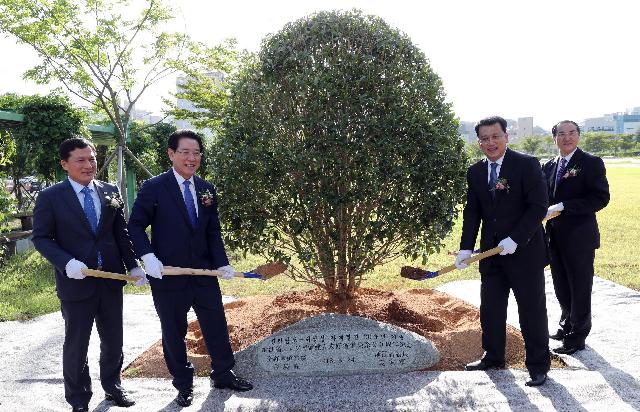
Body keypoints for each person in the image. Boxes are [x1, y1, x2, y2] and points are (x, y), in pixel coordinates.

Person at [128, 129, 253, 407]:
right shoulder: (154, 187)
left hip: (204, 273)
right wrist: (147, 256)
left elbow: (212, 232)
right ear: (171, 154)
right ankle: (183, 384)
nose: (191, 158)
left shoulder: (207, 189)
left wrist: (222, 263)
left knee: (216, 323)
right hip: (168, 274)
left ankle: (223, 373)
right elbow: (135, 225)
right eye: (185, 152)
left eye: (196, 153)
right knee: (173, 330)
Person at [32, 137, 145, 411]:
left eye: (92, 158)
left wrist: (133, 264)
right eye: (80, 160)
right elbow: (42, 238)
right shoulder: (51, 197)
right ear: (65, 164)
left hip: (110, 280)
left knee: (113, 340)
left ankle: (113, 386)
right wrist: (65, 262)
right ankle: (79, 399)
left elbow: (121, 232)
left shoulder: (109, 191)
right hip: (75, 282)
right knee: (77, 343)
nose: (88, 164)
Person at [455, 116, 551, 386]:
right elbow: (472, 213)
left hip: (525, 251)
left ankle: (538, 364)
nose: (490, 142)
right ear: (479, 143)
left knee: (531, 310)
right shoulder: (475, 172)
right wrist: (465, 249)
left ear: (506, 136)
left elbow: (538, 207)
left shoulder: (526, 164)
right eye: (484, 138)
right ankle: (493, 355)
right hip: (491, 253)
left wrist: (516, 239)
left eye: (495, 136)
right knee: (491, 308)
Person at [542, 120, 610, 355]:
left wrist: (564, 206)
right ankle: (566, 324)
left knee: (579, 285)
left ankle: (578, 335)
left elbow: (600, 198)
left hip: (579, 237)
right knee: (561, 283)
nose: (567, 137)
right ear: (555, 138)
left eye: (572, 133)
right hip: (553, 236)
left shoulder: (590, 163)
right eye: (561, 134)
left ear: (578, 136)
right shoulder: (549, 165)